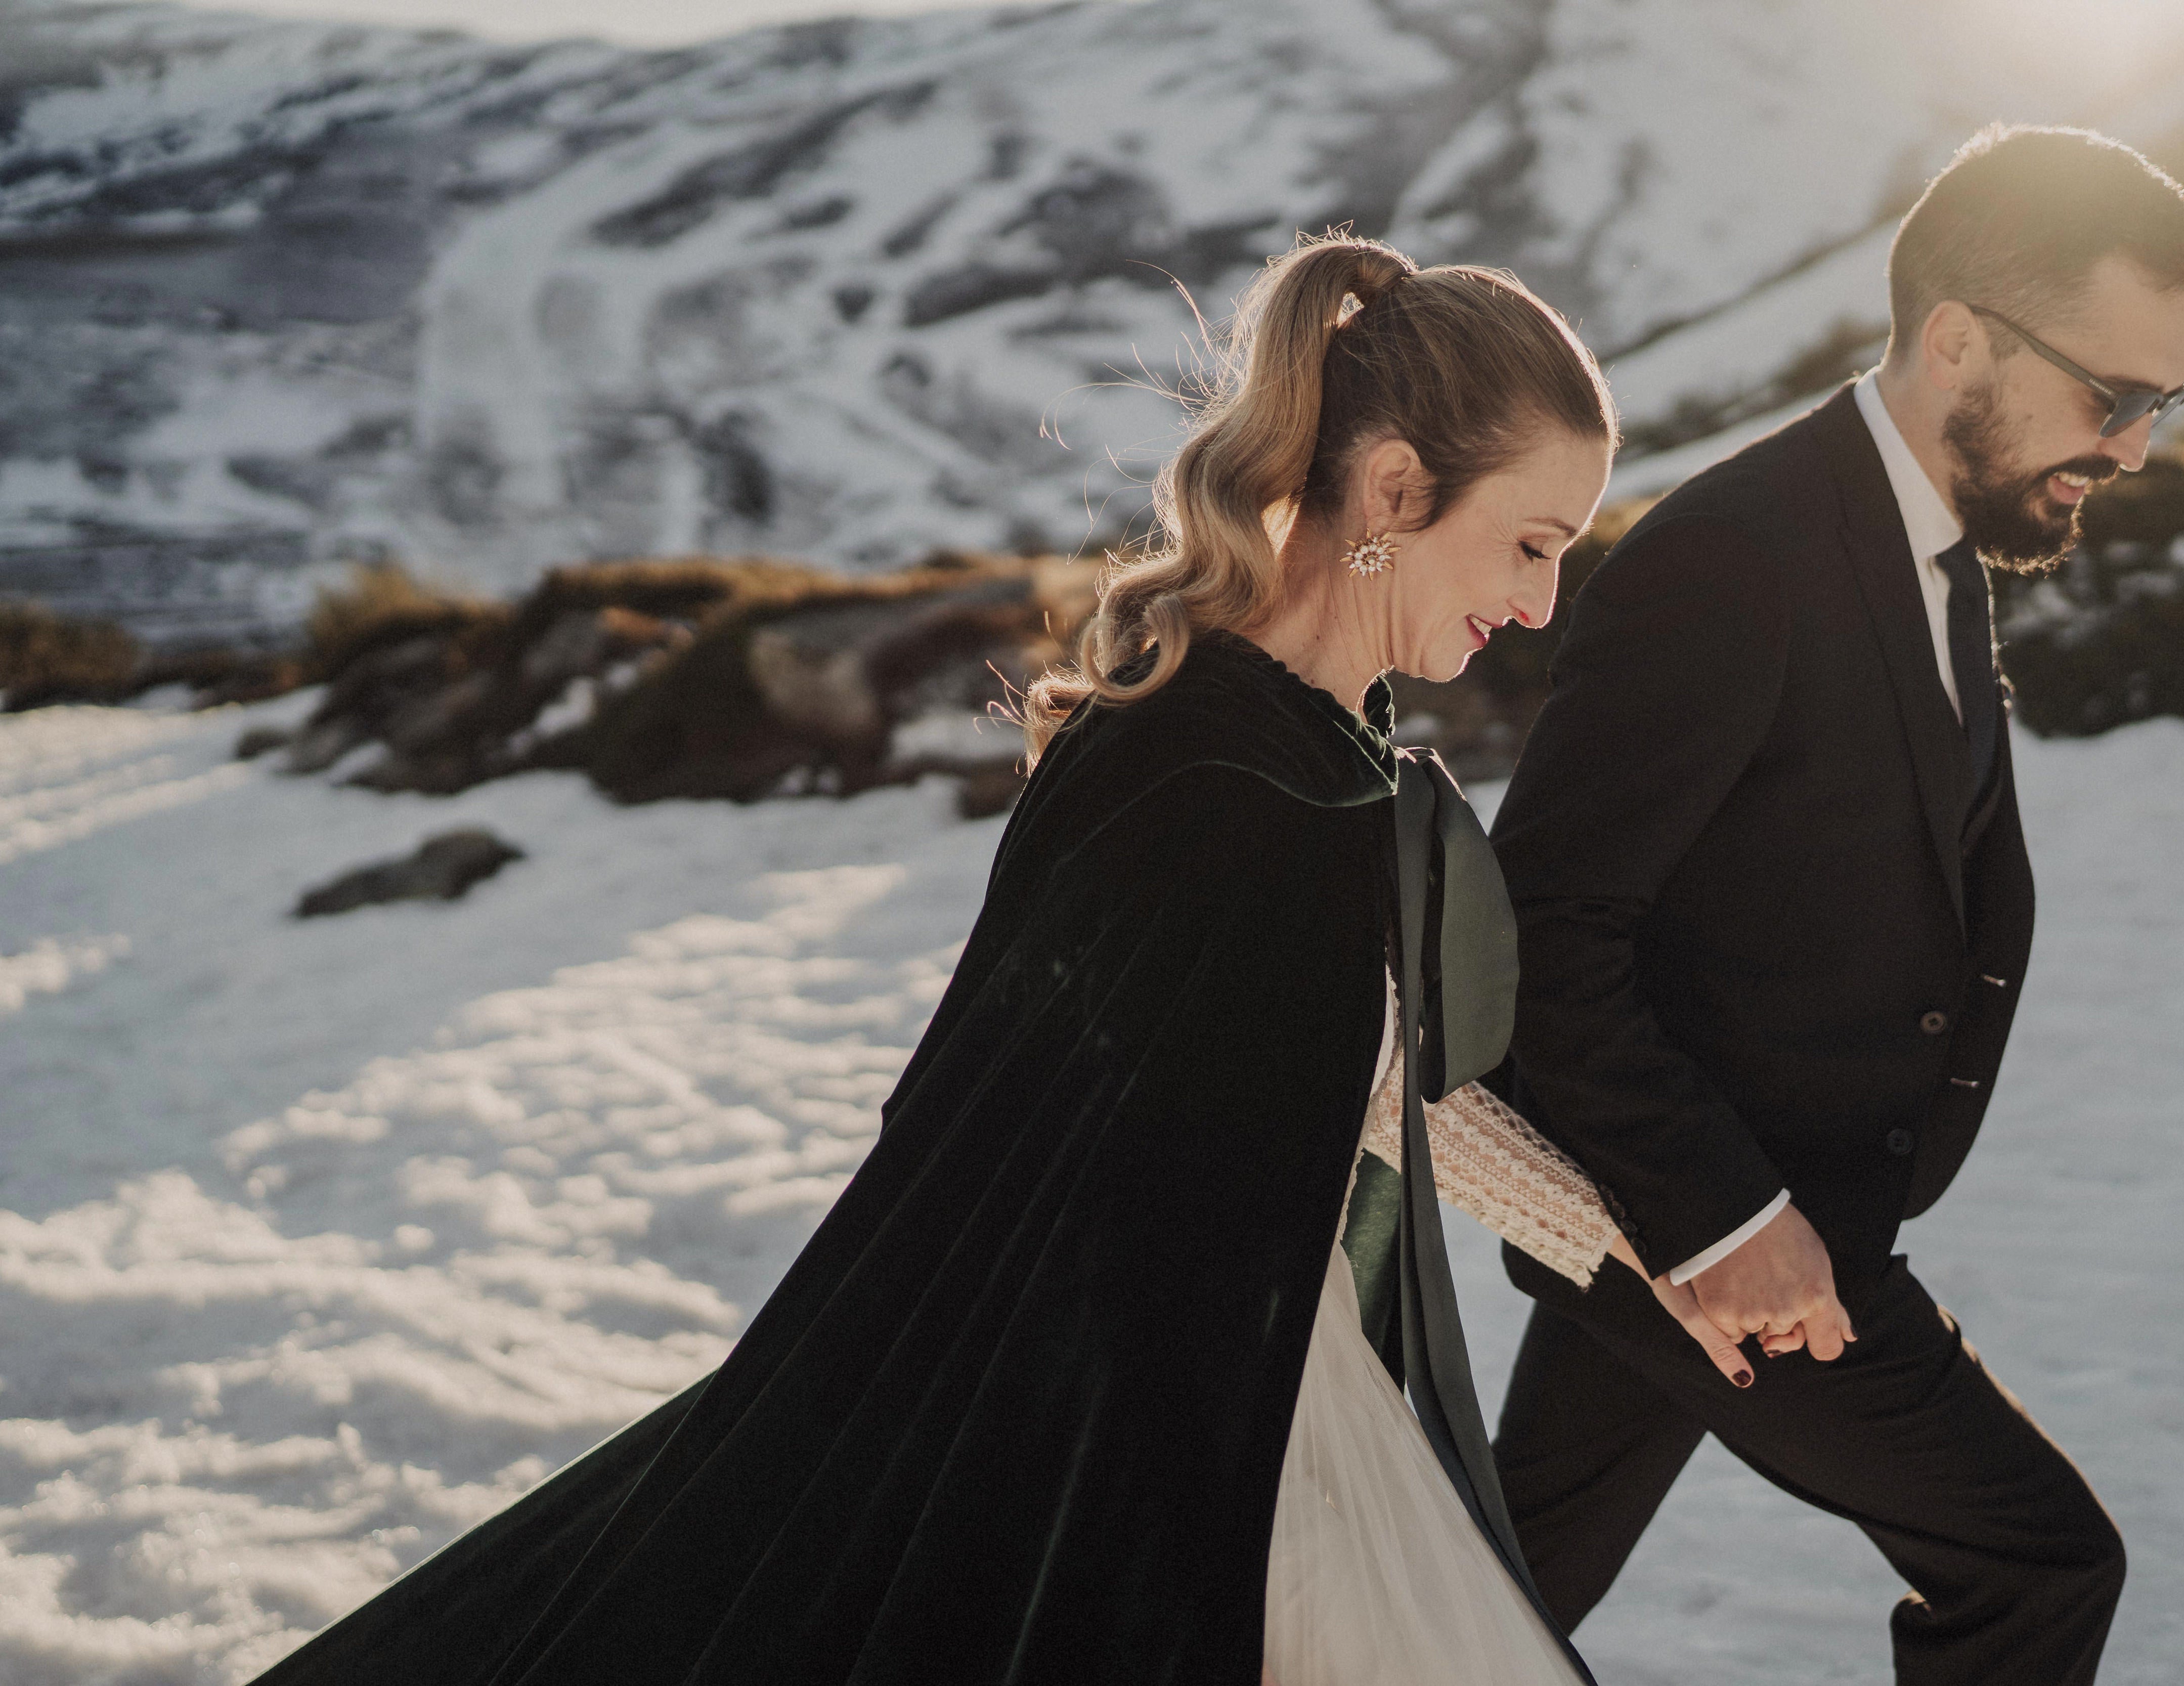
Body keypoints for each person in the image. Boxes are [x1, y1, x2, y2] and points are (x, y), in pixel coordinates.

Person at [249, 235, 1689, 1686]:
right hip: (1136, 1468)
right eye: (1531, 546)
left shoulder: (1316, 766)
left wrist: (1636, 1249)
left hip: (1254, 1418)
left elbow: (1363, 1093)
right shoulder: (1212, 784)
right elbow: (1032, 1181)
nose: (1540, 606)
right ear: (1393, 491)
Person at [1486, 124, 2184, 1684]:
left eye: (2163, 406)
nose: (2135, 452)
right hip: (1736, 1232)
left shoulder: (1936, 547)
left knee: (1479, 1602)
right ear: (1959, 338)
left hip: (1726, 1214)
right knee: (2039, 1566)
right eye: (2114, 400)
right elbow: (1543, 929)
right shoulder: (1733, 555)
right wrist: (1734, 1221)